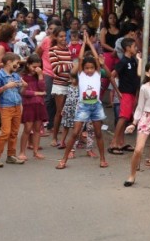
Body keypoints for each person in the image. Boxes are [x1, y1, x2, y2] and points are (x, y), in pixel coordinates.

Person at [56, 32, 109, 169]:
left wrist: (90, 43)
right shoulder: (81, 74)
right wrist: (84, 43)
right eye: (87, 68)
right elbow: (80, 58)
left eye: (92, 67)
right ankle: (64, 160)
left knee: (98, 133)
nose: (90, 70)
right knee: (75, 133)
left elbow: (96, 57)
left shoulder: (97, 73)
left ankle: (102, 159)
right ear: (83, 68)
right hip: (83, 106)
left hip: (96, 106)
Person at [0, 53, 27, 167]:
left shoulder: (15, 75)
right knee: (5, 132)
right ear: (9, 62)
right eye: (16, 63)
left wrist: (24, 86)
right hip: (6, 106)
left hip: (17, 105)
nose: (18, 66)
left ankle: (11, 155)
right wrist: (6, 86)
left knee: (14, 132)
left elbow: (19, 91)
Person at [108, 38, 140, 154]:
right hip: (125, 92)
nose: (136, 48)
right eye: (134, 46)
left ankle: (121, 142)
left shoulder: (134, 60)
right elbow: (112, 76)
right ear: (127, 48)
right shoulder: (123, 61)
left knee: (126, 118)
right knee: (123, 118)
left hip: (132, 93)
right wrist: (117, 91)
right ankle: (113, 143)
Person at [18, 54, 48, 160]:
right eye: (34, 67)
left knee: (37, 129)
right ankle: (22, 152)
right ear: (28, 65)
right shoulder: (23, 76)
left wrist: (40, 76)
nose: (36, 69)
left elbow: (43, 88)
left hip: (39, 105)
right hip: (29, 105)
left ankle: (35, 151)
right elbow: (23, 92)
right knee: (27, 128)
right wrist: (37, 93)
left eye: (38, 67)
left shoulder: (40, 75)